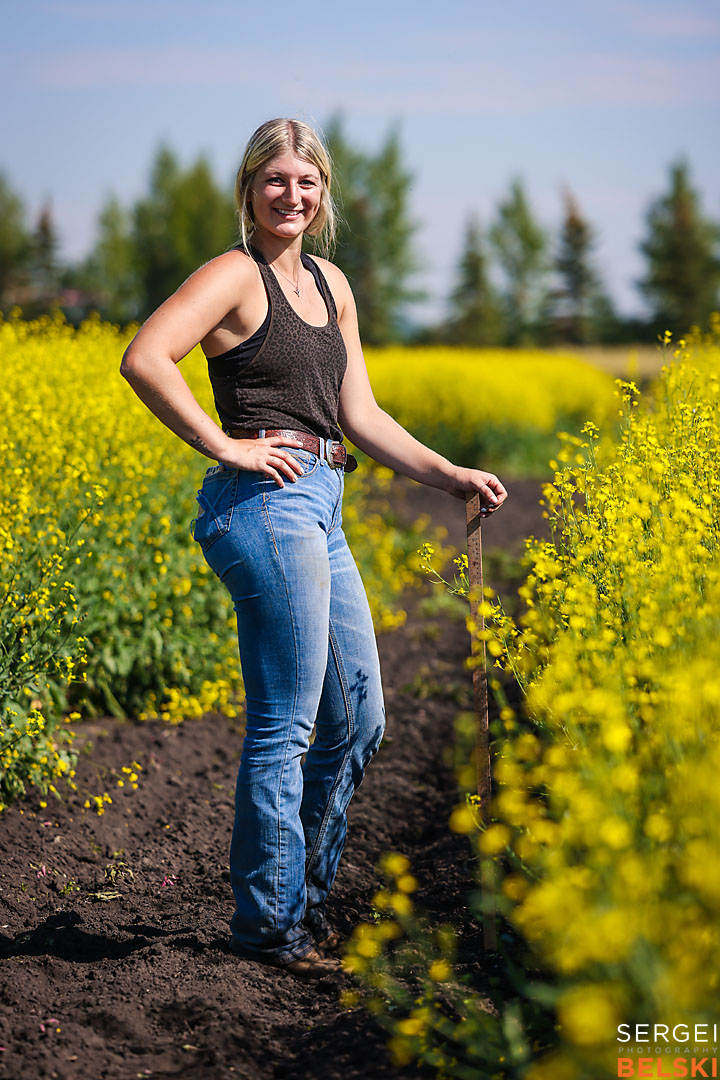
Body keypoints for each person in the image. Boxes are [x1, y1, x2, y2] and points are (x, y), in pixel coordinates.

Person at [120, 117, 508, 981]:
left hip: (324, 501)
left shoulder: (332, 285)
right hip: (263, 505)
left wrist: (448, 473)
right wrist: (225, 446)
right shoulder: (233, 275)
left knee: (360, 721)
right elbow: (146, 356)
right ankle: (270, 928)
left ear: (323, 192)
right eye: (275, 181)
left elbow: (359, 415)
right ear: (250, 189)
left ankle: (303, 904)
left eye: (307, 182)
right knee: (286, 726)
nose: (292, 196)